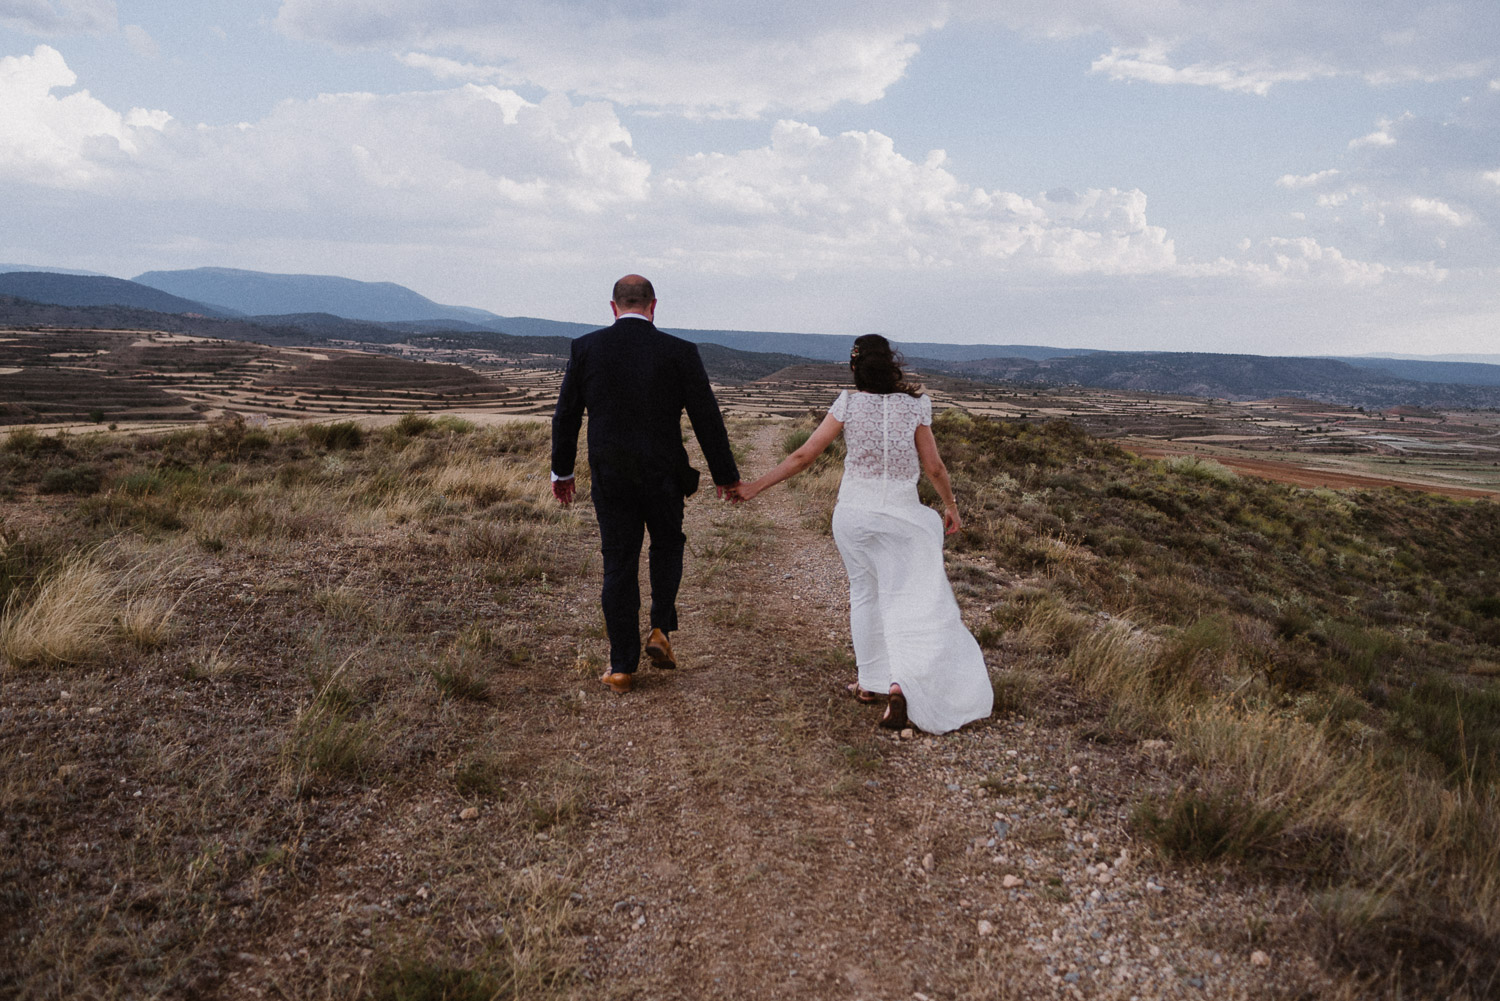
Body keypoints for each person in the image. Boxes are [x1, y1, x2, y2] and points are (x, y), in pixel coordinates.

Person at [736, 334, 993, 734]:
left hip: (855, 516)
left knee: (865, 593)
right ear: (892, 364)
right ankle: (898, 683)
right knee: (906, 597)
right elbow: (935, 467)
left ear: (855, 366)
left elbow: (804, 455)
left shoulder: (849, 403)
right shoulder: (915, 406)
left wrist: (755, 486)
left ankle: (869, 684)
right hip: (905, 518)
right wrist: (951, 506)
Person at [551, 275, 742, 694]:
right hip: (664, 472)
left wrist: (561, 472)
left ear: (614, 306)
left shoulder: (586, 348)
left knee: (618, 561)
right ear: (653, 306)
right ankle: (660, 628)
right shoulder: (680, 352)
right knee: (667, 545)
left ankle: (621, 665)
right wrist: (726, 475)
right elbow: (707, 418)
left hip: (611, 473)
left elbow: (566, 415)